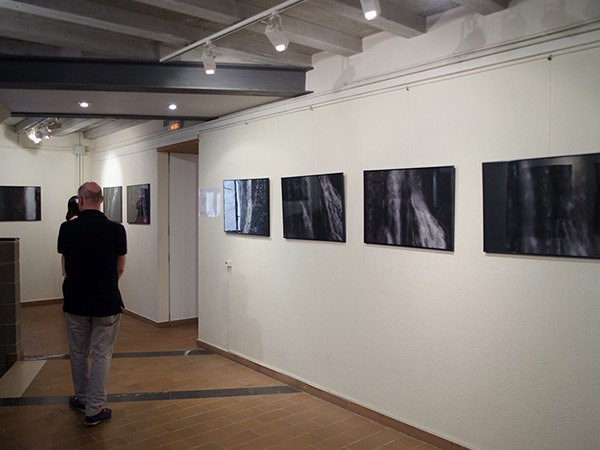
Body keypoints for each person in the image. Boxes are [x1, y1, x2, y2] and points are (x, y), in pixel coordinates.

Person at [57, 182, 127, 426]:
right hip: (106, 302)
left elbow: (65, 268)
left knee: (77, 354)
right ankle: (94, 409)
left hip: (75, 301)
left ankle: (83, 399)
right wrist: (104, 284)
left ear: (81, 200)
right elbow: (119, 268)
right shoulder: (116, 230)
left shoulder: (67, 229)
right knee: (101, 355)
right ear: (102, 200)